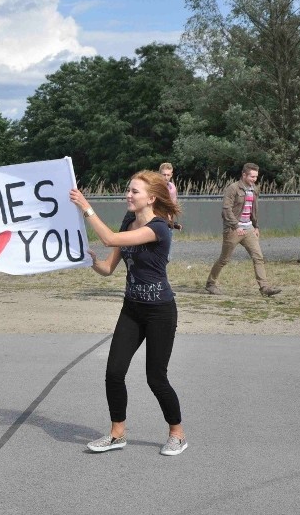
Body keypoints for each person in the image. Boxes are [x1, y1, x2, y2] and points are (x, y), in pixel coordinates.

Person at [69, 171, 188, 456]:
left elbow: (109, 239)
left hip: (160, 312)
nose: (128, 195)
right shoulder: (127, 221)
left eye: (134, 191)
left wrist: (86, 207)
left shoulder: (159, 228)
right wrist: (93, 262)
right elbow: (109, 268)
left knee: (155, 378)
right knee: (114, 372)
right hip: (132, 309)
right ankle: (117, 434)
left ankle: (177, 433)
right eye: (128, 190)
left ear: (151, 198)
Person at [205, 163, 281, 297]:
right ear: (244, 175)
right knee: (224, 259)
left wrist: (256, 226)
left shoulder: (254, 189)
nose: (254, 179)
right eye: (252, 176)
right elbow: (226, 210)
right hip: (233, 229)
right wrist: (236, 226)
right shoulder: (233, 188)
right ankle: (210, 284)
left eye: (256, 177)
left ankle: (264, 288)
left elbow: (253, 209)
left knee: (258, 257)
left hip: (249, 228)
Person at [159, 162, 183, 231]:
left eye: (168, 175)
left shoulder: (172, 187)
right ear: (159, 174)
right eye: (164, 175)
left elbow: (173, 205)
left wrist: (172, 221)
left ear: (171, 175)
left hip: (168, 220)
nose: (166, 177)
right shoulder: (155, 187)